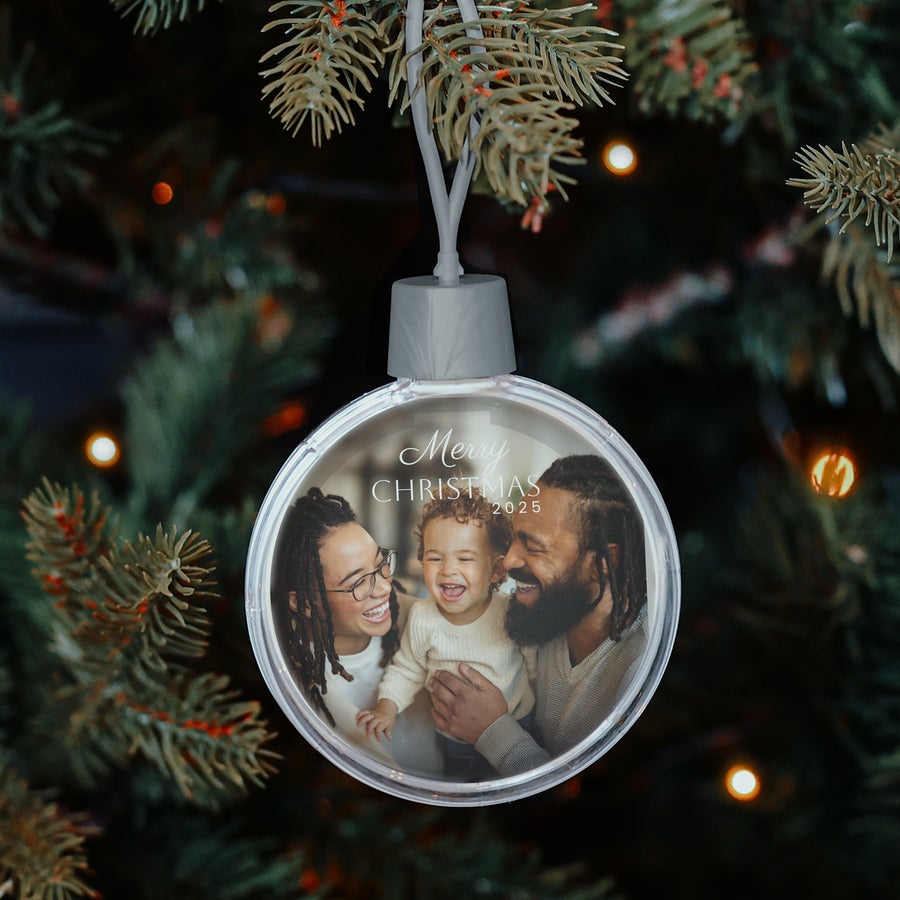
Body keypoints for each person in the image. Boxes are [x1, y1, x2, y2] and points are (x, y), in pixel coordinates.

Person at [429, 454, 648, 776]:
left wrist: (493, 733)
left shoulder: (640, 671)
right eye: (514, 537)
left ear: (603, 563)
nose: (508, 560)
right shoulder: (538, 621)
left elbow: (592, 809)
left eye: (533, 548)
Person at [356, 489, 536, 780]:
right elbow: (407, 668)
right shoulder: (423, 617)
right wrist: (386, 707)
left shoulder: (509, 612)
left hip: (519, 725)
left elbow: (534, 665)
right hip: (454, 742)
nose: (449, 570)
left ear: (496, 570)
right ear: (422, 562)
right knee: (460, 797)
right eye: (435, 558)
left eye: (465, 559)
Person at [279, 487, 441, 775]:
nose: (383, 587)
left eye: (381, 566)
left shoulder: (426, 624)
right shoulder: (297, 686)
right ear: (302, 602)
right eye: (357, 583)